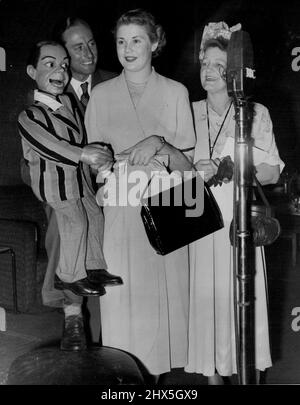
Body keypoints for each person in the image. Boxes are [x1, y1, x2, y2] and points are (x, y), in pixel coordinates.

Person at [85, 9, 195, 379]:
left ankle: (157, 382)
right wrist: (101, 168)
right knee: (123, 308)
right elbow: (92, 161)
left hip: (166, 209)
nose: (128, 49)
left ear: (154, 42)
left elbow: (188, 169)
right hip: (120, 209)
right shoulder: (100, 95)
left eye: (136, 40)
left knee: (161, 313)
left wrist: (159, 144)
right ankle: (126, 381)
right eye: (121, 41)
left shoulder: (176, 92)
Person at [184, 22, 284, 384]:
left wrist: (232, 163)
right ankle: (212, 379)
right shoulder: (188, 111)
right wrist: (194, 168)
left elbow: (271, 172)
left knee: (244, 299)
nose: (209, 73)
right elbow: (173, 166)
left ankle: (248, 375)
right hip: (199, 221)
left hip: (240, 220)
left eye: (219, 66)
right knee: (208, 301)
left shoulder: (255, 113)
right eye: (205, 64)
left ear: (235, 73)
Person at [18, 40, 114, 351]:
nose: (59, 70)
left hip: (81, 182)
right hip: (57, 186)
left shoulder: (70, 105)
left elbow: (85, 135)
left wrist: (98, 157)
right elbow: (50, 144)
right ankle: (70, 278)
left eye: (62, 65)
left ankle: (94, 266)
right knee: (74, 224)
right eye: (49, 64)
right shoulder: (30, 115)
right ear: (32, 71)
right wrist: (84, 154)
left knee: (94, 216)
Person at [41, 17, 122, 345]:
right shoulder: (49, 92)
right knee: (67, 210)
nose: (88, 52)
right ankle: (73, 315)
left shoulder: (118, 84)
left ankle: (103, 331)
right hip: (66, 186)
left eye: (91, 43)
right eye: (77, 47)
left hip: (116, 185)